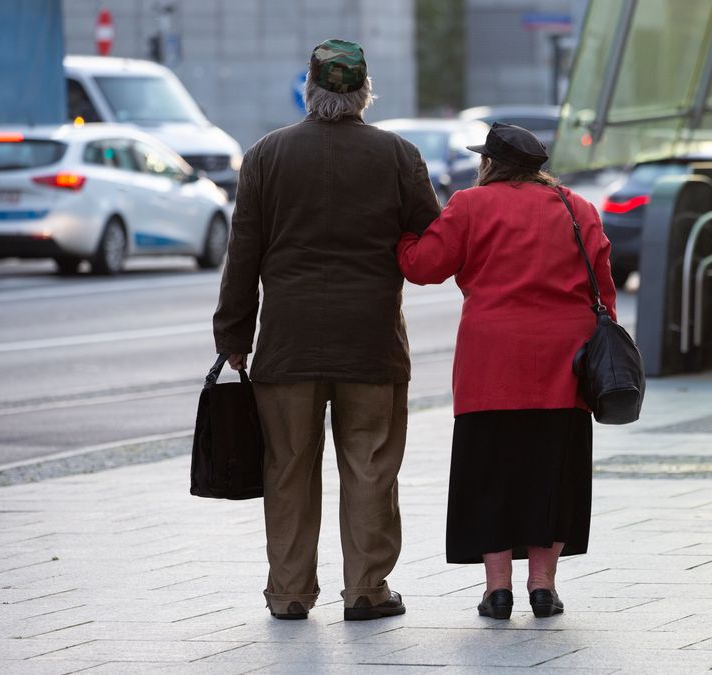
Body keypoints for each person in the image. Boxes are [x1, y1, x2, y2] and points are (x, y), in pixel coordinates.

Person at [213, 39, 441, 622]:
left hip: (287, 345)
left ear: (310, 89)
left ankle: (289, 593)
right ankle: (367, 590)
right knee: (369, 466)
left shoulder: (265, 155)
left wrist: (233, 337)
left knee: (288, 467)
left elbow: (243, 255)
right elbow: (433, 244)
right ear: (365, 92)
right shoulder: (398, 156)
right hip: (372, 343)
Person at [396, 123, 617, 620]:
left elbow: (423, 266)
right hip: (566, 365)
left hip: (490, 365)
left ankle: (498, 590)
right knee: (552, 476)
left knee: (490, 475)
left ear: (490, 164)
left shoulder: (471, 206)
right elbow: (604, 288)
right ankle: (543, 586)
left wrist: (405, 232)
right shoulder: (576, 208)